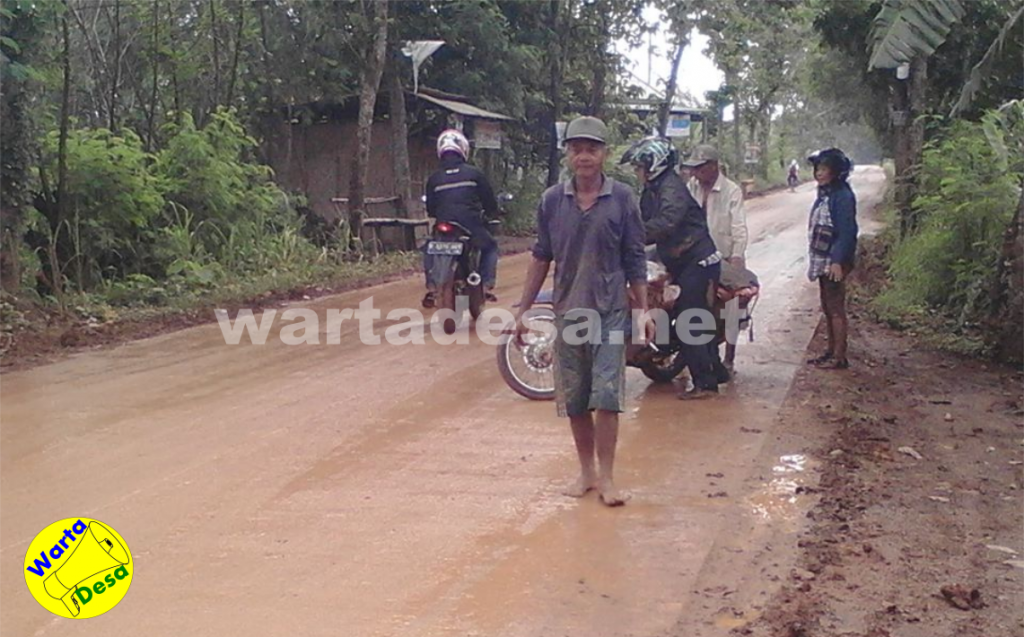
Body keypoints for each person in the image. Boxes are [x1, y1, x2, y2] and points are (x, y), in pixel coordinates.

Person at [513, 116, 652, 507]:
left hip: (610, 311)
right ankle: (586, 472)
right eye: (577, 148)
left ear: (605, 154)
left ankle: (608, 477)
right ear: (568, 154)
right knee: (575, 399)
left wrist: (643, 310)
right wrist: (523, 308)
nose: (584, 156)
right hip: (568, 311)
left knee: (607, 396)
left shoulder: (622, 198)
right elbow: (541, 256)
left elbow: (635, 257)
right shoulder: (552, 201)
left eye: (592, 148)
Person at [621, 136, 722, 400]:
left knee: (691, 317)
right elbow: (642, 220)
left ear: (654, 163)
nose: (637, 171)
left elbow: (666, 222)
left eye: (639, 166)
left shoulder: (671, 188)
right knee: (667, 307)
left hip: (698, 260)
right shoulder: (653, 188)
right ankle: (716, 369)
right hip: (677, 259)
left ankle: (706, 384)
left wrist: (631, 237)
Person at [684, 144, 748, 382]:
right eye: (694, 169)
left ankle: (728, 358)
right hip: (696, 257)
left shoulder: (731, 191)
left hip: (724, 255)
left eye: (700, 168)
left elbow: (738, 226)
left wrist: (737, 256)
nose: (696, 173)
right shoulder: (691, 188)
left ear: (713, 167)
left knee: (731, 308)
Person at [421, 129, 500, 308]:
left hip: (443, 226)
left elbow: (431, 209)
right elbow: (489, 201)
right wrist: (492, 214)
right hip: (470, 225)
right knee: (490, 247)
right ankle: (486, 284)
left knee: (428, 248)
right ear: (463, 149)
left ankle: (432, 286)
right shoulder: (475, 174)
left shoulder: (434, 179)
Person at [805, 148, 858, 370]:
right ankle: (831, 350)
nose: (819, 173)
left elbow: (847, 231)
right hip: (823, 257)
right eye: (818, 168)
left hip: (833, 260)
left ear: (835, 172)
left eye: (824, 169)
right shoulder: (826, 194)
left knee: (835, 307)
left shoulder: (843, 196)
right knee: (827, 306)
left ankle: (839, 356)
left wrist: (837, 260)